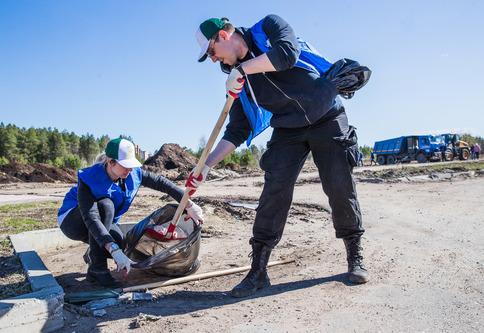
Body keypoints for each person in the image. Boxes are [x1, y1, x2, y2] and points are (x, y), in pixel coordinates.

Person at [189, 15, 369, 298]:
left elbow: (287, 54)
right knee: (274, 190)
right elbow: (238, 128)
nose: (213, 60)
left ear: (223, 36)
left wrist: (243, 70)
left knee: (338, 185)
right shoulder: (237, 77)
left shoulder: (268, 28)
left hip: (326, 115)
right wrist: (206, 165)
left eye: (211, 52)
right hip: (288, 127)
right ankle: (259, 270)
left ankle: (354, 256)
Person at [57, 138, 204, 288]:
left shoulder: (132, 174)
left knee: (120, 241)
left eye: (131, 165)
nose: (129, 170)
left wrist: (189, 205)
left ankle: (93, 254)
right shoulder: (89, 179)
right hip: (72, 221)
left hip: (99, 220)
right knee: (106, 206)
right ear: (110, 161)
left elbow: (162, 183)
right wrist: (113, 250)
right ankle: (98, 270)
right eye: (125, 165)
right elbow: (92, 218)